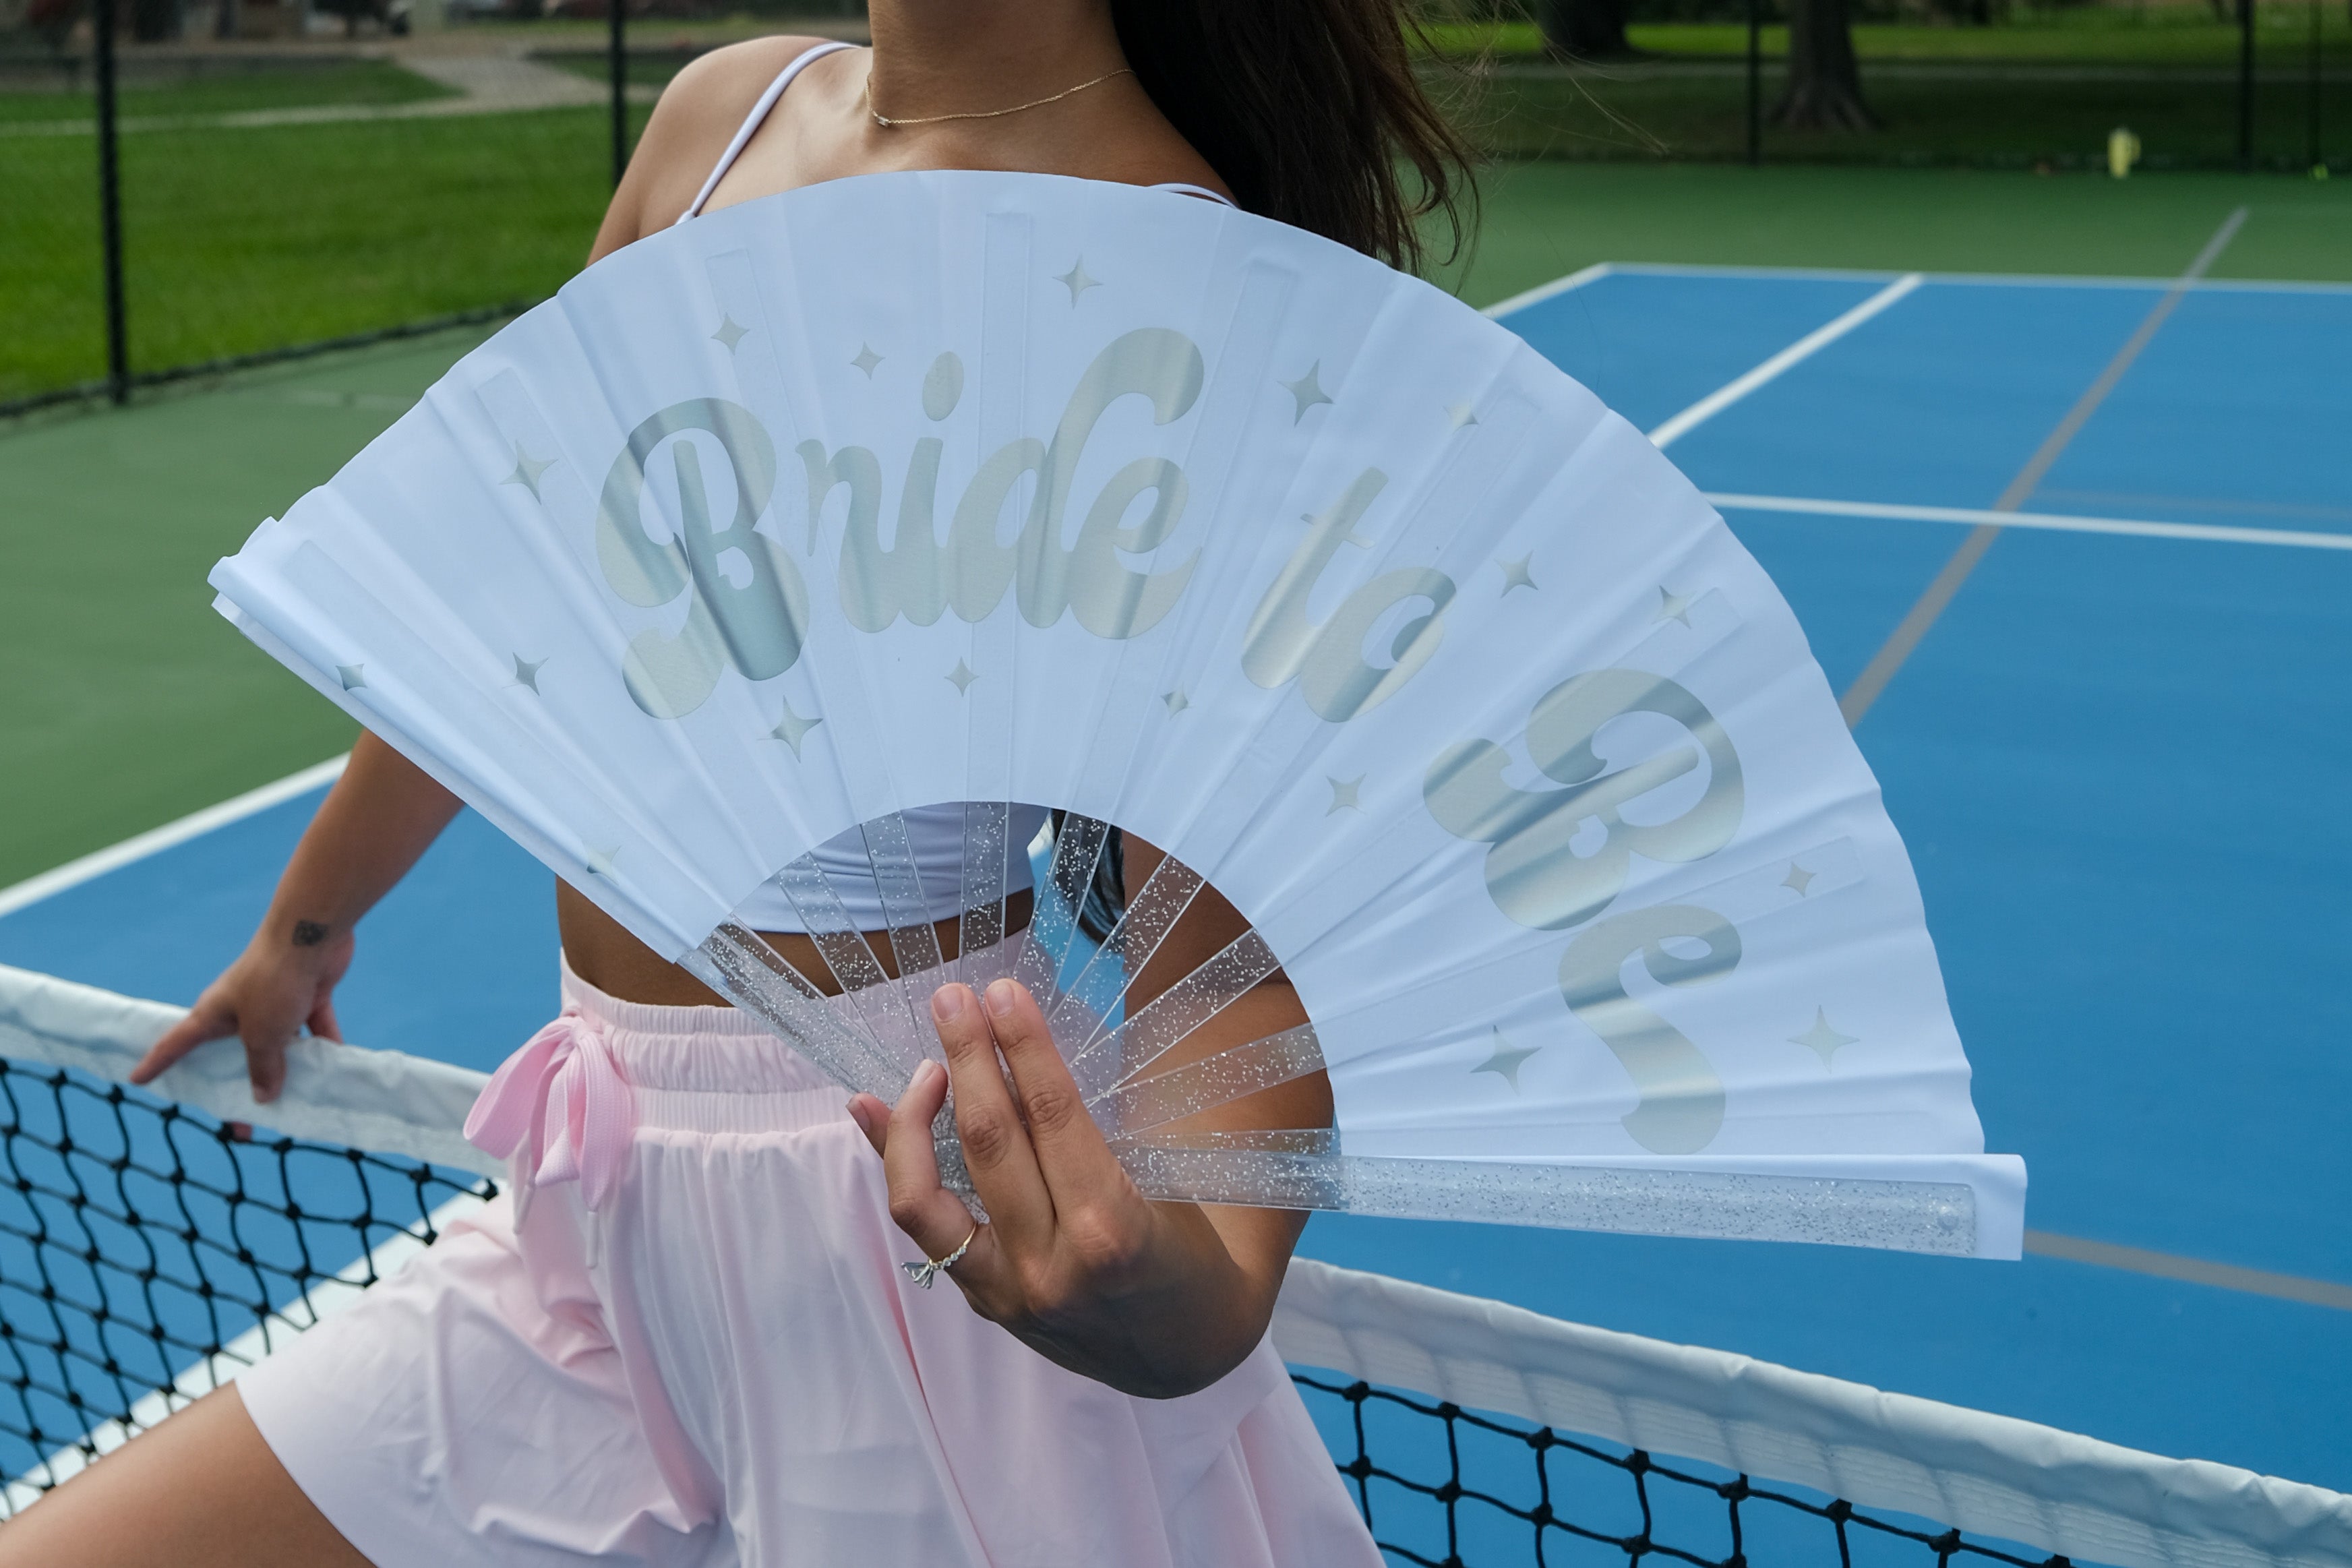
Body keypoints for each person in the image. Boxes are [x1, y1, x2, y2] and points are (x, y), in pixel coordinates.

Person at [0, 3, 1471, 1563]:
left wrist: (1176, 1300)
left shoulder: (1191, 276)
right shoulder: (724, 117)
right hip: (594, 1213)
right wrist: (305, 926)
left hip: (912, 1256)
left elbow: (1237, 964)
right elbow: (526, 598)